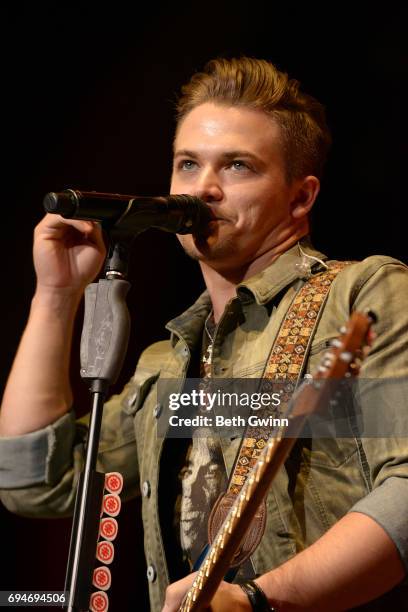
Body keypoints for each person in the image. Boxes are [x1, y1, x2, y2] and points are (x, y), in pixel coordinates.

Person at [0, 57, 407, 612]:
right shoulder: (165, 365)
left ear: (301, 196)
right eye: (188, 164)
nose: (204, 189)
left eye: (238, 166)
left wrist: (260, 600)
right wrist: (55, 296)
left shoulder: (362, 294)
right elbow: (35, 482)